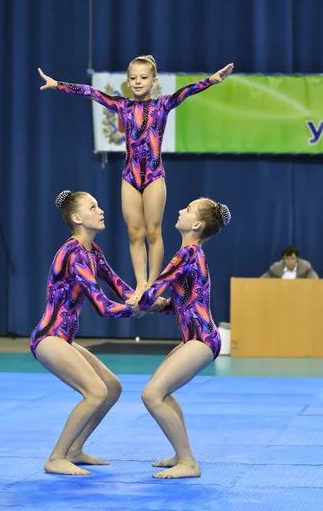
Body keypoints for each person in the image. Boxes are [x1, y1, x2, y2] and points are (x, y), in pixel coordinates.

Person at [38, 58, 234, 299]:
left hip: (153, 176)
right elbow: (92, 92)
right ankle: (141, 284)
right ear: (127, 82)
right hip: (129, 176)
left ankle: (153, 285)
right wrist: (58, 84)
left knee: (153, 231)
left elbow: (186, 91)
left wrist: (210, 81)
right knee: (134, 233)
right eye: (133, 78)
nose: (138, 82)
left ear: (154, 81)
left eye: (143, 77)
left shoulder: (162, 105)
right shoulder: (122, 106)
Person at [30, 190, 143, 476]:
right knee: (95, 392)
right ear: (78, 218)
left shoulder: (92, 251)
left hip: (63, 338)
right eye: (93, 207)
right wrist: (134, 310)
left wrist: (150, 301)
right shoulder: (73, 253)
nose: (101, 210)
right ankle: (56, 457)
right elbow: (102, 306)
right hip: (49, 338)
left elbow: (117, 285)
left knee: (112, 387)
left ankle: (76, 449)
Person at [131, 197, 231, 479]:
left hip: (201, 339)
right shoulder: (192, 254)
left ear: (196, 224)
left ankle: (188, 462)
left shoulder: (187, 254)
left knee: (151, 395)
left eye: (186, 210)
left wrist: (139, 301)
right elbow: (185, 301)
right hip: (197, 337)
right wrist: (160, 305)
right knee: (163, 393)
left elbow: (155, 287)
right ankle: (181, 454)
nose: (179, 210)